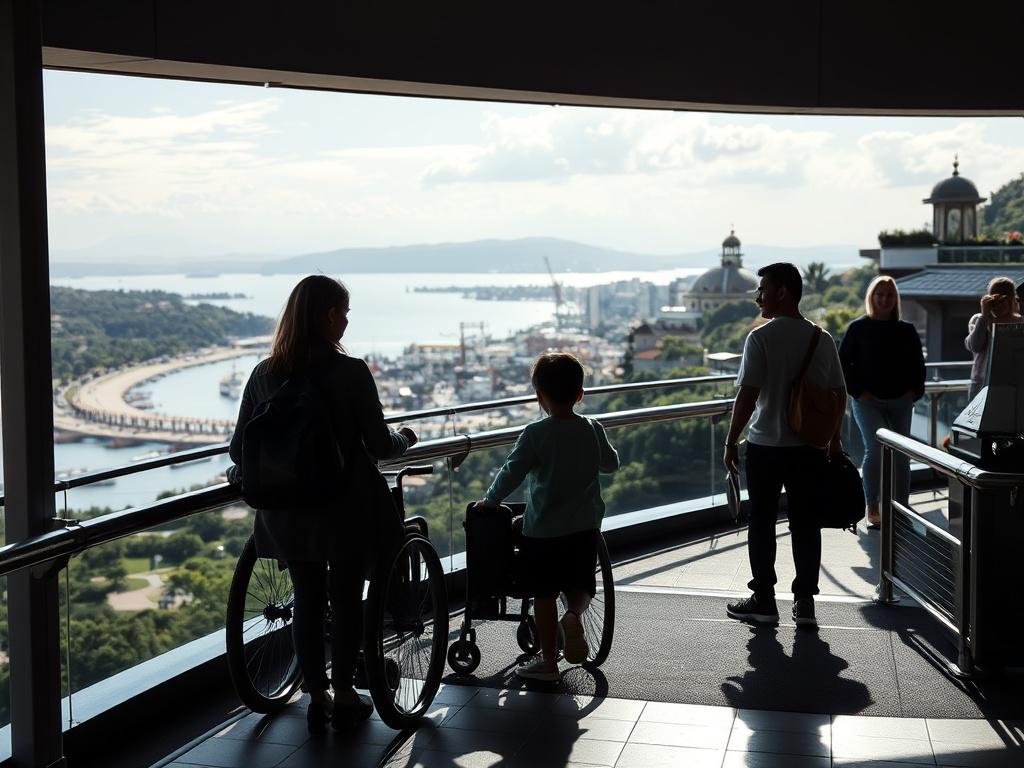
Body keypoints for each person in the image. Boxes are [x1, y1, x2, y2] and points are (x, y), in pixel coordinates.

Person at [229, 275, 417, 733]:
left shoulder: (264, 372)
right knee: (347, 598)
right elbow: (379, 444)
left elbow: (238, 450)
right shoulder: (350, 371)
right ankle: (348, 694)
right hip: (343, 507)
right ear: (330, 315)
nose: (347, 321)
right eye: (345, 313)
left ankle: (317, 697)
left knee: (307, 598)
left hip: (285, 510)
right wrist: (406, 438)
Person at [474, 352, 619, 681]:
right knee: (580, 584)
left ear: (539, 396)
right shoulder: (592, 428)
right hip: (585, 526)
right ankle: (573, 616)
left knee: (544, 594)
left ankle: (549, 662)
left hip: (543, 531)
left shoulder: (535, 433)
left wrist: (491, 501)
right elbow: (611, 465)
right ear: (580, 394)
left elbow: (511, 473)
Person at [723, 263, 846, 629]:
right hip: (809, 447)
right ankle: (805, 603)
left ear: (782, 291)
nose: (758, 297)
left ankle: (764, 600)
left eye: (762, 289)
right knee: (806, 523)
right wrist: (834, 440)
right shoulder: (821, 338)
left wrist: (730, 441)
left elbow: (747, 395)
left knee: (761, 521)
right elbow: (838, 394)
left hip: (765, 445)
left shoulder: (760, 338)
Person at [839, 276, 924, 529]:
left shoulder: (906, 330)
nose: (885, 299)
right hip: (868, 402)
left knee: (901, 456)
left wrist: (913, 393)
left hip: (901, 401)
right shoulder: (857, 328)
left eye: (889, 295)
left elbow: (918, 366)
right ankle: (872, 506)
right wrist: (858, 392)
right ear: (872, 297)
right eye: (880, 294)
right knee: (874, 451)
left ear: (895, 299)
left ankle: (901, 507)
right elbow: (842, 364)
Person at [965, 276, 1021, 401]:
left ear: (1012, 300)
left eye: (1004, 300)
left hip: (1012, 383)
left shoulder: (1020, 322)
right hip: (982, 383)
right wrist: (984, 316)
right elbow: (974, 346)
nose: (999, 305)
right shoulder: (979, 320)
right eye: (995, 300)